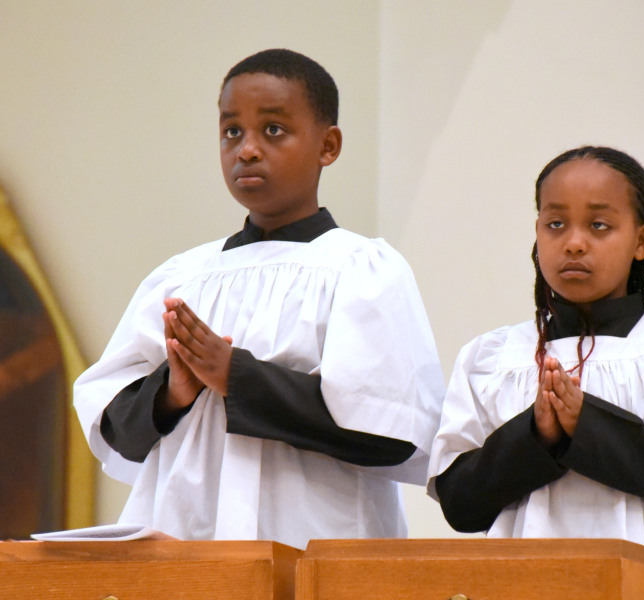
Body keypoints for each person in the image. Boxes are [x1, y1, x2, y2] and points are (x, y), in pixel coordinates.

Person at [74, 49, 445, 550]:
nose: (246, 150)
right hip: (181, 546)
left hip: (312, 544)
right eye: (232, 132)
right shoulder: (183, 278)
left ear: (328, 145)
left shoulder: (360, 269)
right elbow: (117, 432)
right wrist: (172, 393)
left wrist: (238, 377)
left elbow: (390, 433)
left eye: (273, 130)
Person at [428, 146, 644, 599]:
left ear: (641, 241)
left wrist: (589, 426)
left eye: (599, 225)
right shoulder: (493, 358)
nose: (574, 242)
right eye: (555, 224)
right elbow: (461, 505)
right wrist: (537, 436)